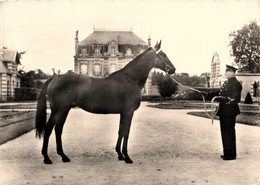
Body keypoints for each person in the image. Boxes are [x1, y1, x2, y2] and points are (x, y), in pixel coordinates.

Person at [216, 65, 242, 160]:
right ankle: (227, 152)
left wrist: (226, 99)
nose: (225, 73)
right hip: (224, 110)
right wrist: (207, 94)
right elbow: (220, 93)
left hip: (230, 111)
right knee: (224, 132)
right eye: (225, 71)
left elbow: (235, 98)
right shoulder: (227, 82)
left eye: (227, 71)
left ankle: (231, 154)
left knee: (229, 132)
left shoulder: (236, 83)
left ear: (232, 73)